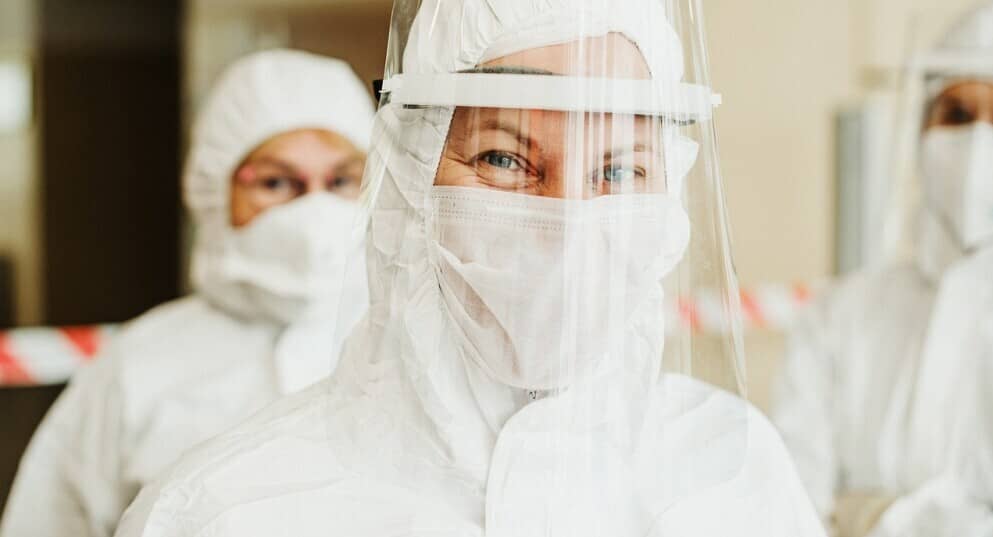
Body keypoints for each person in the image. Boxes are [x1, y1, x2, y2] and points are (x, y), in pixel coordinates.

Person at [114, 1, 826, 535]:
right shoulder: (228, 508)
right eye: (503, 159)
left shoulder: (732, 475)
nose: (568, 221)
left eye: (617, 168)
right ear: (412, 175)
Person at [0, 49, 375, 537]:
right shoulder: (136, 365)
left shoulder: (417, 343)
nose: (313, 210)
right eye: (276, 182)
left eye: (342, 180)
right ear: (215, 192)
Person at [772, 4, 993, 536]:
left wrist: (867, 515)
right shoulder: (837, 317)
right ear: (919, 130)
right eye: (957, 116)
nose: (978, 142)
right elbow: (787, 510)